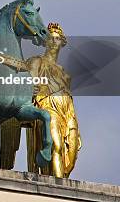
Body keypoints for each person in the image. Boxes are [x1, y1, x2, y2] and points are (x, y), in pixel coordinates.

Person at [26, 22, 81, 177]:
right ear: (45, 41)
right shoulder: (36, 62)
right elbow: (26, 83)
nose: (53, 42)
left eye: (57, 39)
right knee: (56, 146)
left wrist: (75, 123)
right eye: (50, 38)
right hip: (48, 109)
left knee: (70, 157)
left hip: (68, 114)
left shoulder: (64, 73)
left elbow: (69, 98)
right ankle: (59, 186)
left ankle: (61, 183)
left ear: (62, 42)